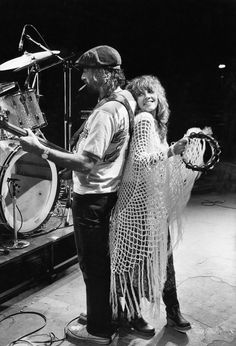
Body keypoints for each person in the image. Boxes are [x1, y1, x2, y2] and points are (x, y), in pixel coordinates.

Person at [18, 45, 136, 345]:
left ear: (105, 74)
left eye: (87, 71)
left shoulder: (106, 113)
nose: (82, 76)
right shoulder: (124, 100)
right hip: (108, 194)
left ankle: (99, 331)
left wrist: (41, 151)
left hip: (92, 199)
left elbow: (87, 162)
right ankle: (103, 314)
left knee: (93, 266)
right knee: (103, 263)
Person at [109, 75, 205, 336]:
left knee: (156, 261)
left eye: (151, 91)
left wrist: (178, 148)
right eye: (141, 94)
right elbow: (140, 161)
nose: (147, 96)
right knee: (138, 263)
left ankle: (150, 312)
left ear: (159, 95)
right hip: (137, 207)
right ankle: (139, 314)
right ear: (136, 101)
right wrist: (173, 151)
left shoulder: (156, 124)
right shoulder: (143, 121)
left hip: (151, 206)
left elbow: (157, 163)